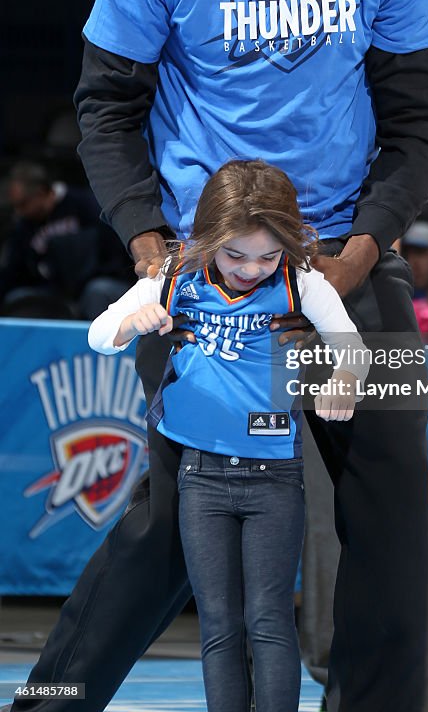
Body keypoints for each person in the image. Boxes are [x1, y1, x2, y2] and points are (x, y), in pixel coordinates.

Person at [10, 0, 428, 712]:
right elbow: (106, 107)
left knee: (389, 506)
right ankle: (51, 704)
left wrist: (362, 253)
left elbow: (419, 123)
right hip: (205, 273)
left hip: (344, 254)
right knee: (169, 522)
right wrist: (150, 247)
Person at [88, 159, 368, 712]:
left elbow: (351, 349)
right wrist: (130, 324)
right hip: (199, 476)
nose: (251, 269)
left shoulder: (302, 282)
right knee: (217, 624)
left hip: (274, 478)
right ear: (209, 237)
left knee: (267, 618)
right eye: (235, 254)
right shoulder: (173, 277)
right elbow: (101, 336)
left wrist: (344, 381)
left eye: (267, 256)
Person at [0, 161, 132, 319]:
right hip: (54, 289)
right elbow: (13, 270)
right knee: (18, 297)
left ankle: (95, 343)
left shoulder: (86, 204)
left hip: (99, 281)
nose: (18, 212)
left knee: (98, 291)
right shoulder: (24, 226)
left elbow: (116, 249)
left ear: (41, 192)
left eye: (23, 204)